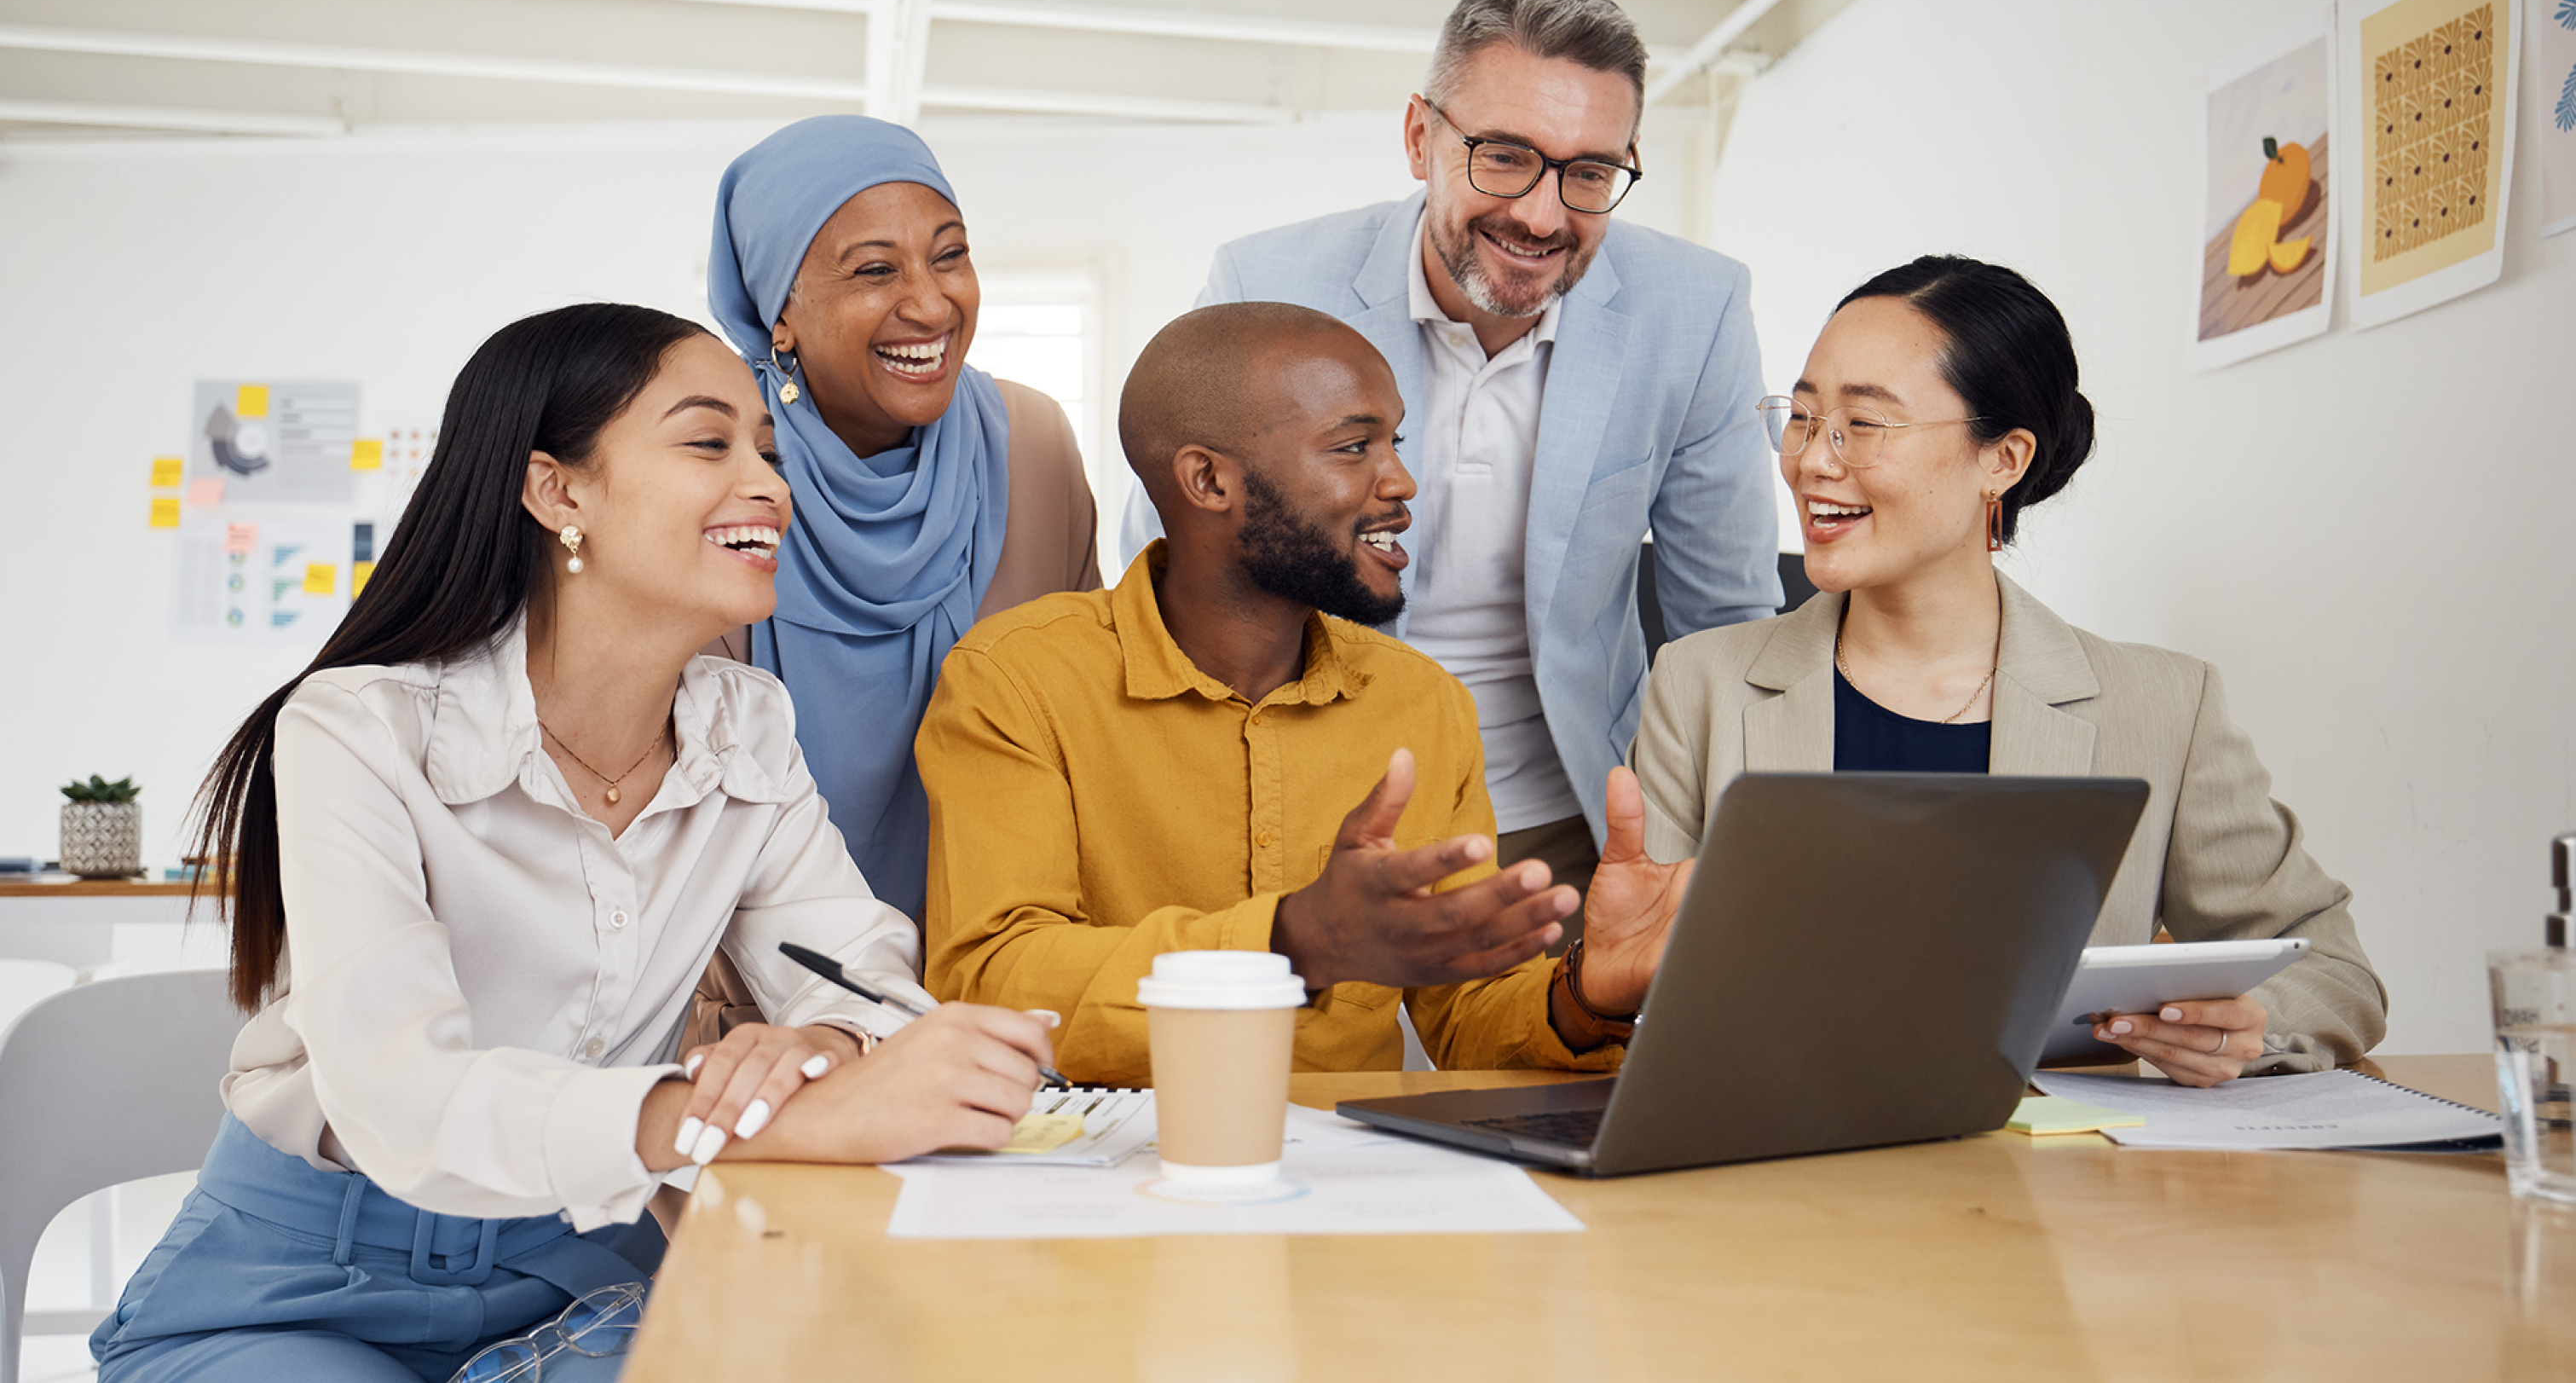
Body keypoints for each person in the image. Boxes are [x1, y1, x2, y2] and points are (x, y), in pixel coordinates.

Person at [100, 305, 1054, 1381]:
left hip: (574, 1273)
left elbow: (860, 972)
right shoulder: (358, 728)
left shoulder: (748, 728)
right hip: (295, 1290)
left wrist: (821, 1050)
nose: (770, 486)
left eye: (767, 450)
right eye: (709, 442)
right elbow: (400, 1098)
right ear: (559, 492)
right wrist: (737, 1121)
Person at [1119, 0, 1778, 937]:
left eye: (1589, 173)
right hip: (1309, 808)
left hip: (1567, 823)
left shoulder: (1695, 309)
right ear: (1420, 138)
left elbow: (1726, 627)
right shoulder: (1266, 283)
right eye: (1505, 157)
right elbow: (1172, 587)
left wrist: (1749, 874)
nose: (1545, 217)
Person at [1629, 257, 2386, 1085]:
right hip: (1780, 1166)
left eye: (1865, 424)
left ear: (2004, 459)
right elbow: (1643, 982)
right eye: (1803, 416)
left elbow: (2336, 973)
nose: (1812, 460)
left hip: (2055, 1185)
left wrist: (2238, 1029)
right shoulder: (1697, 686)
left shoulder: (2165, 706)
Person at [921, 302, 1693, 1084]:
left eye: (1395, 441)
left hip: (1353, 1180)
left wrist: (1587, 990)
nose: (1401, 481)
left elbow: (1467, 1013)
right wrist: (1292, 939)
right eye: (1355, 447)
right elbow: (993, 978)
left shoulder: (1423, 705)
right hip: (1110, 1171)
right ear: (1209, 480)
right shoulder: (1014, 680)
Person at [707, 115, 1100, 929]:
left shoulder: (1031, 446)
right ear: (778, 310)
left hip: (1000, 945)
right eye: (875, 270)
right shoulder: (715, 468)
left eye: (950, 254)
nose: (930, 303)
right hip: (759, 968)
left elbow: (1085, 716)